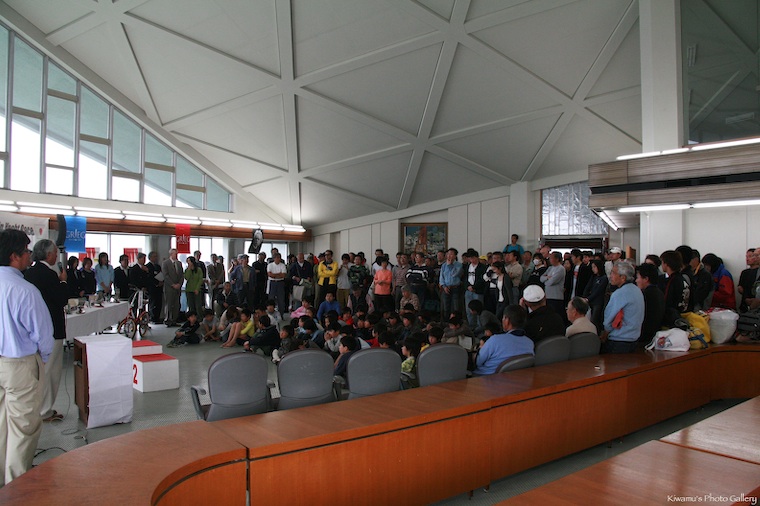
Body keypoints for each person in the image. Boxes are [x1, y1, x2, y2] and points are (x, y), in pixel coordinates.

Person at [0, 229, 54, 486]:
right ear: (14, 256)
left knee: (1, 423)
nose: (29, 256)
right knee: (23, 427)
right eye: (26, 251)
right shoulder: (24, 290)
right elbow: (42, 333)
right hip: (19, 364)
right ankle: (16, 487)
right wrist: (42, 359)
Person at [23, 239, 68, 423]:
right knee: (51, 370)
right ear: (48, 255)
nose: (56, 256)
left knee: (39, 371)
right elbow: (61, 299)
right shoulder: (49, 275)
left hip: (33, 329)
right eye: (55, 253)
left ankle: (39, 407)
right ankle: (45, 410)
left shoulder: (28, 273)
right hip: (52, 328)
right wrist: (63, 282)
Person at [473, 305, 533, 376]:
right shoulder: (530, 343)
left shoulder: (495, 340)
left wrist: (481, 348)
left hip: (486, 378)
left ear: (507, 320)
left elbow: (478, 362)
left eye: (503, 318)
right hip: (516, 378)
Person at [601, 261, 644, 353]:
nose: (610, 276)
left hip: (618, 340)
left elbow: (609, 318)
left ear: (623, 277)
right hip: (634, 339)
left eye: (613, 273)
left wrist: (604, 334)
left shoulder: (620, 293)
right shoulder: (637, 290)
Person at [635, 263, 665, 344]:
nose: (636, 280)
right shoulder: (659, 292)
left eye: (638, 277)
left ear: (646, 279)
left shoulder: (645, 295)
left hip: (645, 338)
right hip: (655, 335)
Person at [582, 259, 608, 333]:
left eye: (594, 267)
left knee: (594, 320)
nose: (593, 269)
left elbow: (598, 291)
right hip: (590, 301)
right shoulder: (593, 277)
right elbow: (588, 287)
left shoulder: (604, 278)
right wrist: (584, 296)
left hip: (597, 302)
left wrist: (588, 299)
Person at [161, 248, 184, 327]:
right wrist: (173, 284)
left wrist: (179, 284)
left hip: (177, 288)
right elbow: (166, 275)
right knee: (169, 304)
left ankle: (174, 320)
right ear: (171, 254)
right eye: (175, 254)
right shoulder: (165, 263)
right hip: (169, 288)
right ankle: (167, 320)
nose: (176, 255)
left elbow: (182, 275)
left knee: (176, 304)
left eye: (177, 253)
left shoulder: (179, 263)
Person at [439, 248, 463, 319]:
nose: (449, 256)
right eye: (448, 254)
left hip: (455, 288)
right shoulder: (444, 265)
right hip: (446, 288)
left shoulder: (459, 265)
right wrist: (444, 286)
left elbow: (454, 274)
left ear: (455, 256)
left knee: (456, 307)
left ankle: (456, 321)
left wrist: (449, 265)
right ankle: (446, 322)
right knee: (445, 307)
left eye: (451, 254)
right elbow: (441, 277)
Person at [540, 252, 565, 317]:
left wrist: (546, 280)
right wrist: (547, 278)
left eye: (551, 258)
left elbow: (551, 282)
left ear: (557, 259)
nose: (549, 260)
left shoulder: (561, 269)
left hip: (556, 297)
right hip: (548, 296)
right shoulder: (550, 268)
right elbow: (541, 278)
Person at [146, 251, 164, 323]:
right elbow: (149, 277)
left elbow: (161, 274)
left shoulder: (158, 266)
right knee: (152, 303)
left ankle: (157, 317)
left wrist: (161, 282)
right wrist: (156, 283)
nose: (156, 258)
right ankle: (152, 317)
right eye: (154, 256)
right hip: (152, 288)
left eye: (156, 256)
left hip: (159, 288)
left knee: (159, 303)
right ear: (150, 257)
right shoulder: (147, 266)